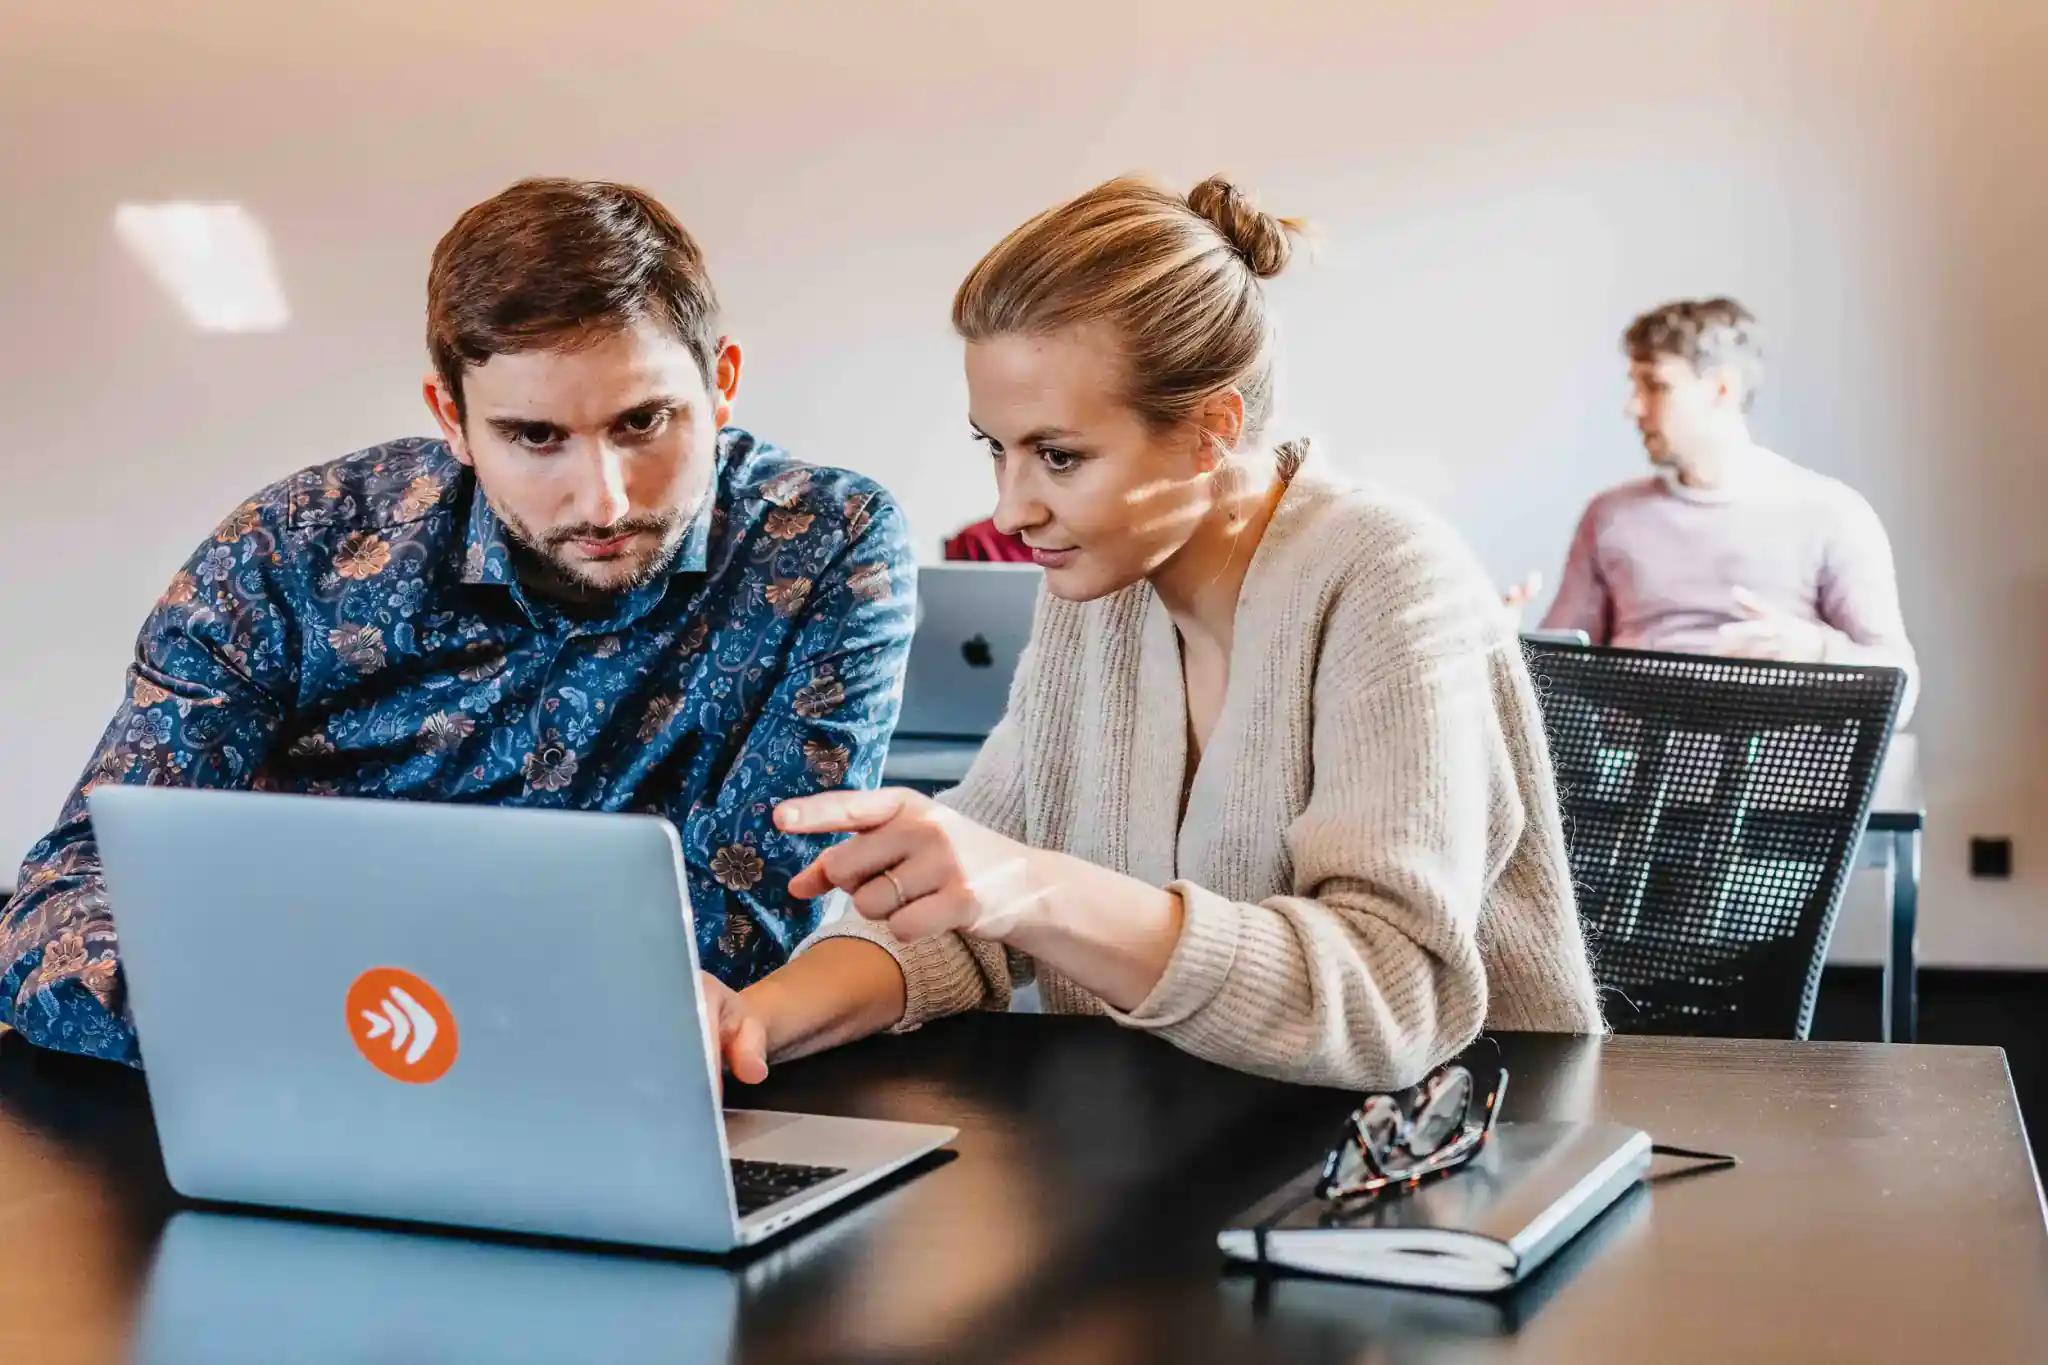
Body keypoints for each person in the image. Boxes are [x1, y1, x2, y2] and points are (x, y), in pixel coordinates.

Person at [704, 174, 1603, 1094]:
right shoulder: (1095, 589)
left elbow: (1390, 999)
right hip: (1177, 1149)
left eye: (1059, 456)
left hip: (1442, 1169)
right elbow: (965, 910)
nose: (1011, 509)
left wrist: (1034, 886)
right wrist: (754, 1018)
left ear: (1213, 428)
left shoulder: (1388, 579)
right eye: (995, 447)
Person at [0, 179, 915, 1065]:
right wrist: (264, 1028)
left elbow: (747, 924)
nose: (604, 501)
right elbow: (77, 882)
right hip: (291, 1079)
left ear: (722, 382)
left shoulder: (824, 545)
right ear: (453, 416)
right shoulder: (294, 548)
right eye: (535, 436)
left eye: (644, 422)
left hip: (616, 1100)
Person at [1535, 297, 1918, 713]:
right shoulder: (1610, 516)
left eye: (1656, 385)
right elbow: (1551, 676)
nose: (1633, 407)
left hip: (1777, 765)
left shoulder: (1832, 513)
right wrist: (1498, 646)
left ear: (1722, 389)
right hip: (1638, 763)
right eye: (1634, 385)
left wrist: (1816, 652)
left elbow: (1902, 689)